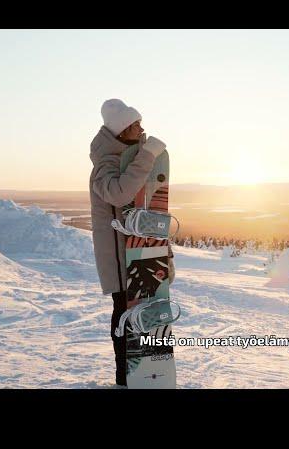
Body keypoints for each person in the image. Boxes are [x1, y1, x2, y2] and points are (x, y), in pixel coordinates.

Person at [89, 98, 174, 387]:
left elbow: (148, 211)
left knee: (144, 315)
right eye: (135, 124)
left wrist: (165, 255)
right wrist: (148, 155)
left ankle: (146, 374)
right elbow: (120, 194)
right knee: (126, 316)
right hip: (121, 261)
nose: (141, 128)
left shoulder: (129, 158)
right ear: (120, 130)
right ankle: (125, 379)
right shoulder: (104, 164)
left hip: (142, 257)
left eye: (140, 122)